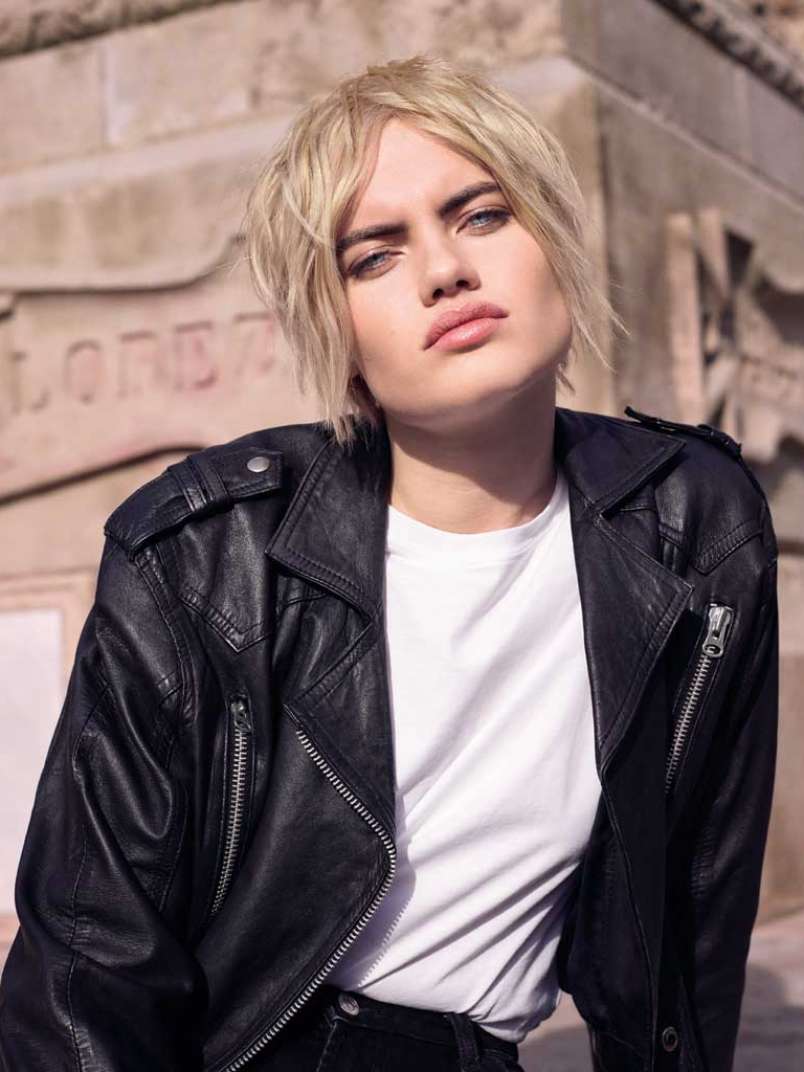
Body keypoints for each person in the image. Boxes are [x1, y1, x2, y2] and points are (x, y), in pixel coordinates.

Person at [0, 54, 778, 1072]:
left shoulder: (694, 526)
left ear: (553, 237)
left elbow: (693, 921)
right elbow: (87, 970)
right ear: (336, 328)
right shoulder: (201, 558)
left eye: (483, 215)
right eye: (373, 256)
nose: (445, 271)